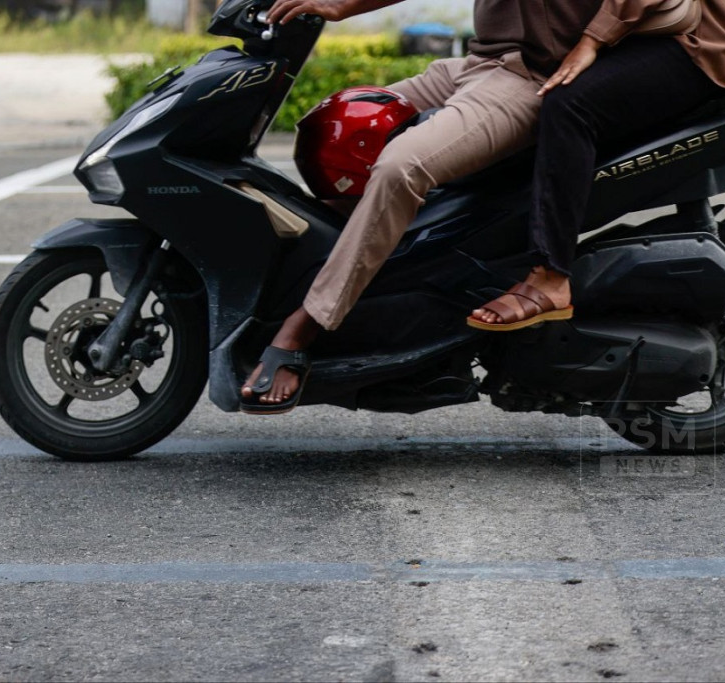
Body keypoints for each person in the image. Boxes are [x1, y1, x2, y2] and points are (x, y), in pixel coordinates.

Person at [242, 0, 661, 413]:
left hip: (530, 75)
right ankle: (368, 270)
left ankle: (306, 324)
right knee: (338, 126)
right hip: (481, 63)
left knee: (400, 168)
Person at [468, 2, 725, 329]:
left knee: (569, 105)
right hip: (647, 36)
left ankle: (551, 277)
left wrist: (591, 40)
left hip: (700, 45)